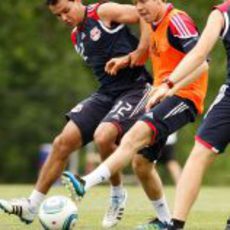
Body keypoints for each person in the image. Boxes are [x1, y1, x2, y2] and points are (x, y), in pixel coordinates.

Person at [0, 0, 152, 228]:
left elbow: (145, 15)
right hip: (107, 94)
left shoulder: (103, 12)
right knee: (62, 142)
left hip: (136, 88)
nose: (64, 18)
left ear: (77, 1)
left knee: (103, 136)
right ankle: (31, 206)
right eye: (58, 15)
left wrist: (140, 52)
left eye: (66, 10)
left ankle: (118, 195)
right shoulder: (76, 37)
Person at [61, 0, 209, 229]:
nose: (139, 7)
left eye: (143, 1)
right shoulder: (152, 24)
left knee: (130, 138)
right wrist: (127, 60)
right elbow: (148, 54)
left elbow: (202, 64)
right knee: (141, 164)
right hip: (161, 95)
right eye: (135, 2)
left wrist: (169, 86)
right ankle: (165, 221)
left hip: (185, 97)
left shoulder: (177, 20)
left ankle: (85, 182)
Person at [140, 0, 230, 229]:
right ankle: (175, 224)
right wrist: (169, 84)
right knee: (199, 153)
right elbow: (199, 53)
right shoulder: (222, 13)